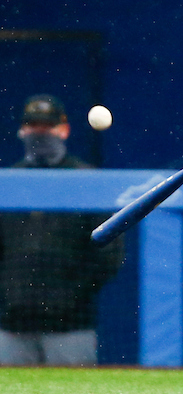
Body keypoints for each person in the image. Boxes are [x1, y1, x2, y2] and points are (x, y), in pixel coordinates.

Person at [0, 95, 124, 365]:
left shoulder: (87, 180)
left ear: (63, 130)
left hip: (71, 326)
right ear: (22, 130)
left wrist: (70, 294)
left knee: (75, 391)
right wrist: (10, 295)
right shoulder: (8, 181)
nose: (40, 133)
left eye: (47, 126)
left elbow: (109, 253)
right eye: (33, 125)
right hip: (11, 325)